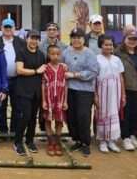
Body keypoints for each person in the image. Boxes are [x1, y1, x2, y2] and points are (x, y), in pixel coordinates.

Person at [63, 27, 100, 157]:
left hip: (85, 90)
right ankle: (77, 140)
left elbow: (94, 72)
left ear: (84, 39)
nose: (76, 40)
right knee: (71, 116)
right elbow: (61, 66)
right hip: (69, 89)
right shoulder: (66, 52)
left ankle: (85, 143)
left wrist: (75, 75)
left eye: (79, 37)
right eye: (73, 38)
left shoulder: (89, 53)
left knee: (83, 116)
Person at [13, 30, 47, 156]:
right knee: (25, 117)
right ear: (27, 39)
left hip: (36, 91)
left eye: (36, 39)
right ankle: (18, 142)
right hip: (23, 90)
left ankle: (29, 140)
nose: (34, 41)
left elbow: (44, 72)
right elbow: (19, 70)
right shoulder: (21, 52)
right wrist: (36, 71)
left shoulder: (41, 54)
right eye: (32, 38)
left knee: (33, 117)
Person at [95, 35, 125, 153]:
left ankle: (112, 141)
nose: (108, 47)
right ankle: (102, 141)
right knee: (102, 114)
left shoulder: (117, 60)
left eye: (111, 45)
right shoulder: (96, 59)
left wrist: (123, 94)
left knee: (114, 114)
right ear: (100, 45)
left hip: (115, 92)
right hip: (102, 91)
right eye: (106, 44)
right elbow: (94, 79)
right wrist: (95, 95)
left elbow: (121, 77)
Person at [0, 17, 25, 135]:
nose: (8, 29)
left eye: (10, 27)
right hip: (1, 80)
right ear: (1, 28)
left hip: (17, 79)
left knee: (17, 106)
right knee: (1, 106)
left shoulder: (21, 42)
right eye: (5, 27)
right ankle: (3, 131)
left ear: (14, 28)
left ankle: (13, 131)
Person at [116, 31, 137, 151]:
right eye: (130, 38)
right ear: (124, 39)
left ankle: (132, 135)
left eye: (135, 39)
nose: (132, 41)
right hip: (125, 87)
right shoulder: (118, 53)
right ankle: (125, 137)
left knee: (135, 113)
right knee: (125, 113)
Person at [42, 44, 68, 156]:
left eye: (57, 54)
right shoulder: (45, 68)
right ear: (48, 55)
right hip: (49, 98)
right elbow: (43, 85)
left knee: (59, 120)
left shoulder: (63, 68)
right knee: (48, 120)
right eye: (52, 54)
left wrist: (65, 101)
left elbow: (66, 85)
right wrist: (43, 101)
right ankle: (50, 142)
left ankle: (57, 142)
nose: (55, 56)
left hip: (60, 99)